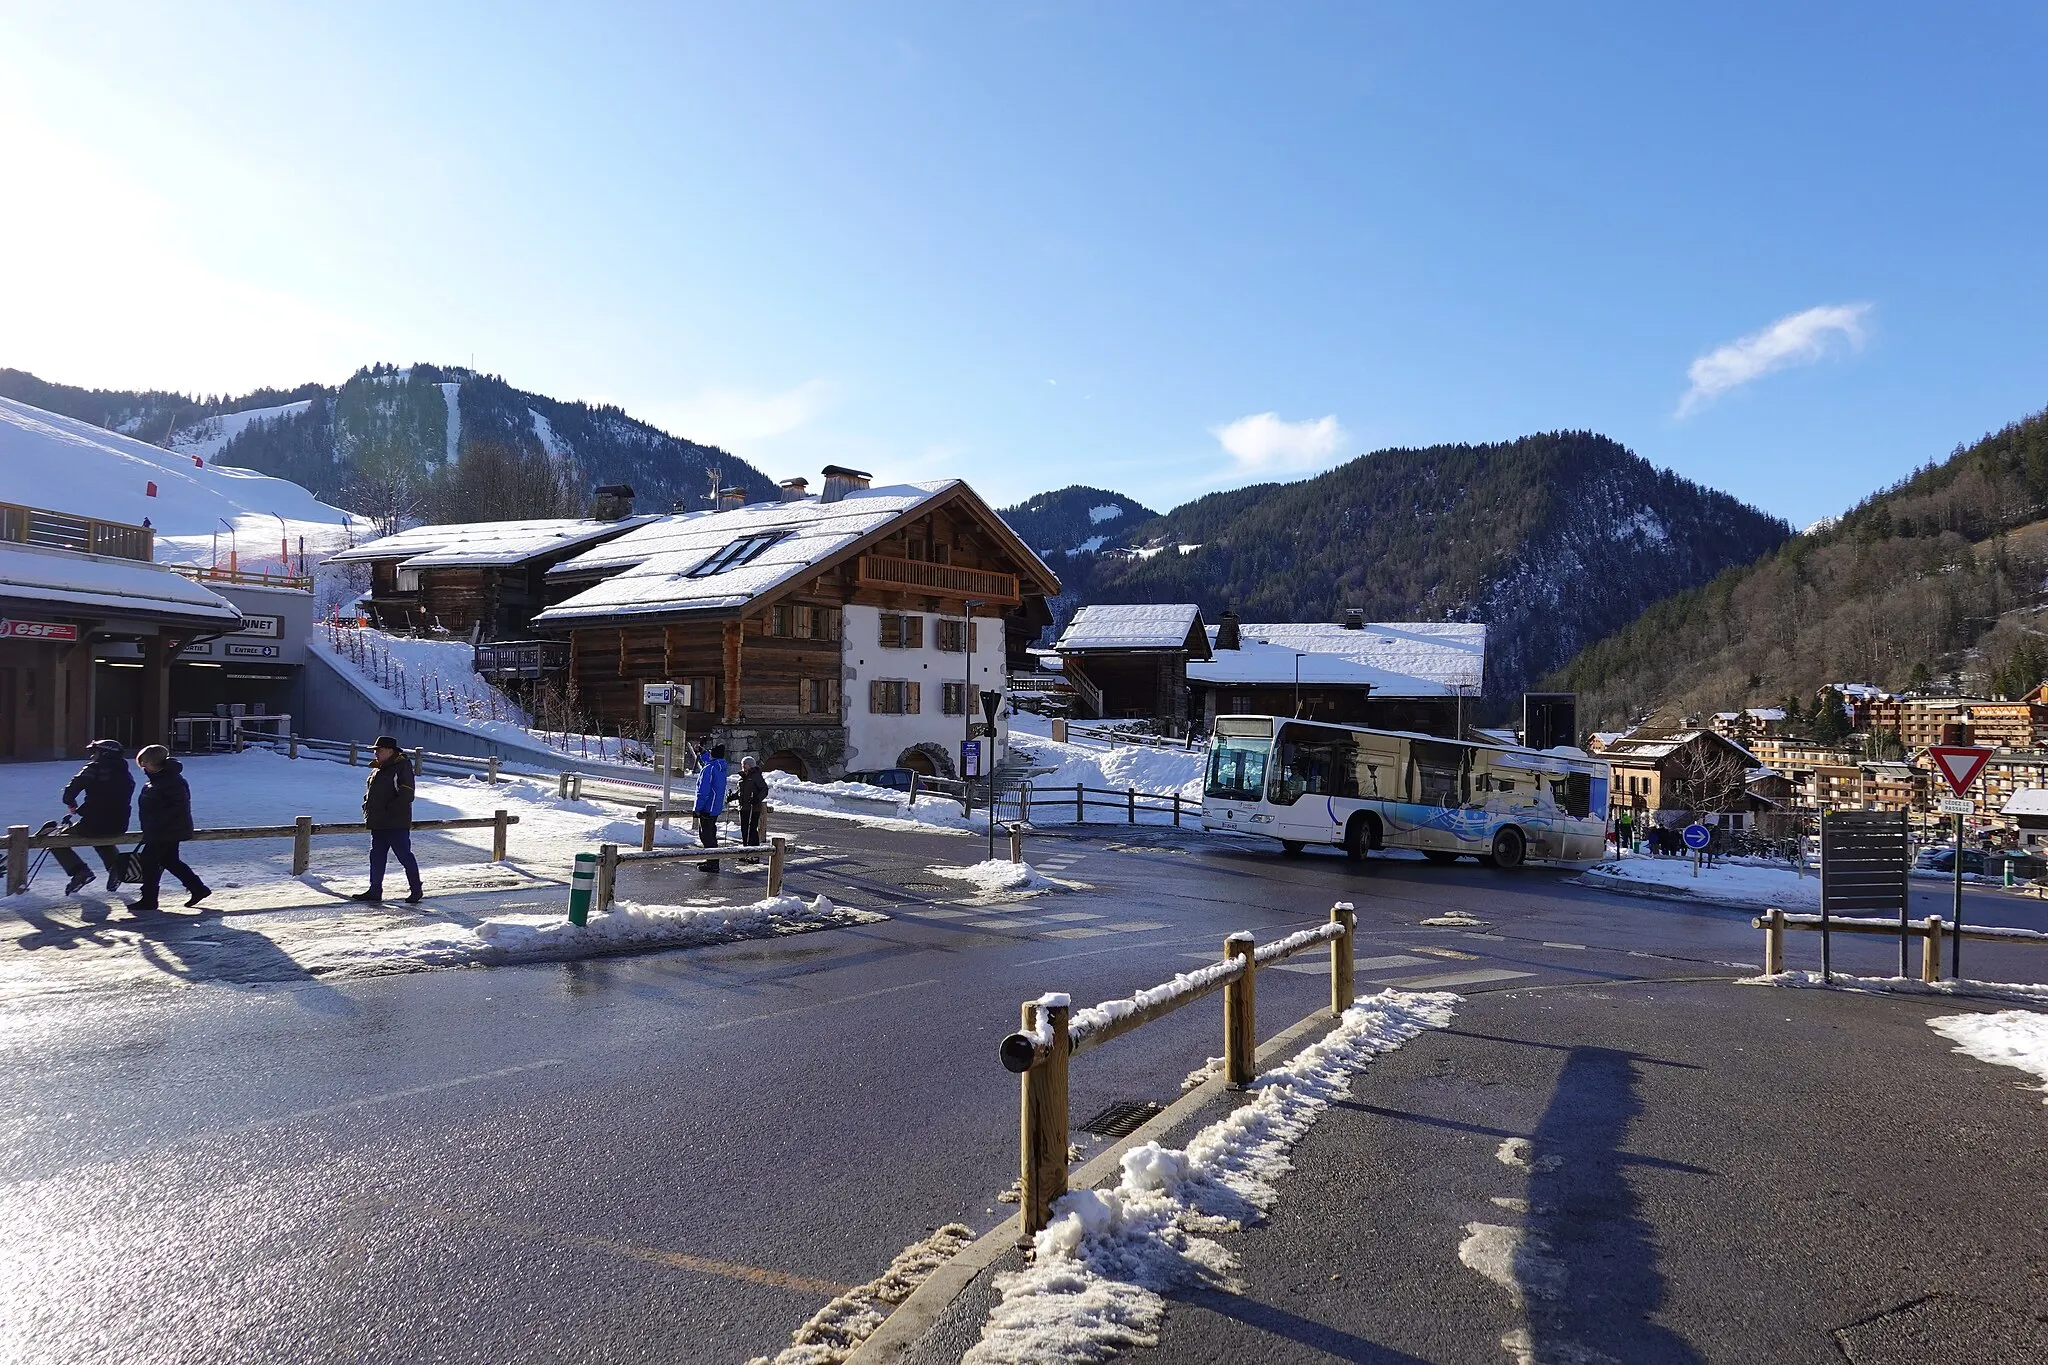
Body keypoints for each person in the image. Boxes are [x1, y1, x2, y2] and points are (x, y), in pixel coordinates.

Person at [130, 744, 209, 914]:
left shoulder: (171, 781)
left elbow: (178, 807)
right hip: (163, 829)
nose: (143, 767)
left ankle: (149, 899)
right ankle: (198, 888)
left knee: (149, 860)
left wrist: (158, 823)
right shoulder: (159, 780)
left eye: (145, 763)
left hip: (167, 830)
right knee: (170, 861)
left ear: (154, 763)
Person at [55, 739, 134, 895]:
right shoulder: (125, 772)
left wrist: (71, 803)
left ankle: (79, 871)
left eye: (94, 752)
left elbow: (72, 787)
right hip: (119, 824)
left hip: (93, 823)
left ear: (104, 753)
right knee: (103, 839)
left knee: (56, 840)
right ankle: (116, 868)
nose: (92, 756)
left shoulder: (94, 769)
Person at [354, 735, 423, 905]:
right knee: (376, 857)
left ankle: (416, 889)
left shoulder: (402, 767)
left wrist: (389, 810)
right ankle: (374, 890)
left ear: (390, 751)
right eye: (375, 750)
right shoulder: (378, 769)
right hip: (378, 823)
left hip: (395, 823)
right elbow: (372, 794)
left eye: (379, 750)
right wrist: (367, 807)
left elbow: (407, 794)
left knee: (404, 856)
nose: (376, 753)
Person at [695, 743, 730, 872]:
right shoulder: (720, 766)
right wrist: (703, 753)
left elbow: (703, 792)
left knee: (706, 836)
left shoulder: (708, 769)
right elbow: (711, 761)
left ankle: (713, 863)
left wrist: (697, 808)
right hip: (715, 806)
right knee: (711, 834)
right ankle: (712, 859)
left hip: (707, 807)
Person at [736, 755, 768, 849]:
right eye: (742, 764)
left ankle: (753, 851)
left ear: (750, 765)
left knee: (751, 830)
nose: (743, 766)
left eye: (745, 764)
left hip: (753, 808)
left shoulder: (755, 776)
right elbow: (740, 792)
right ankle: (746, 849)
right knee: (744, 829)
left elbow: (764, 789)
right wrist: (732, 797)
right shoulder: (742, 777)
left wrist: (757, 799)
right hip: (743, 807)